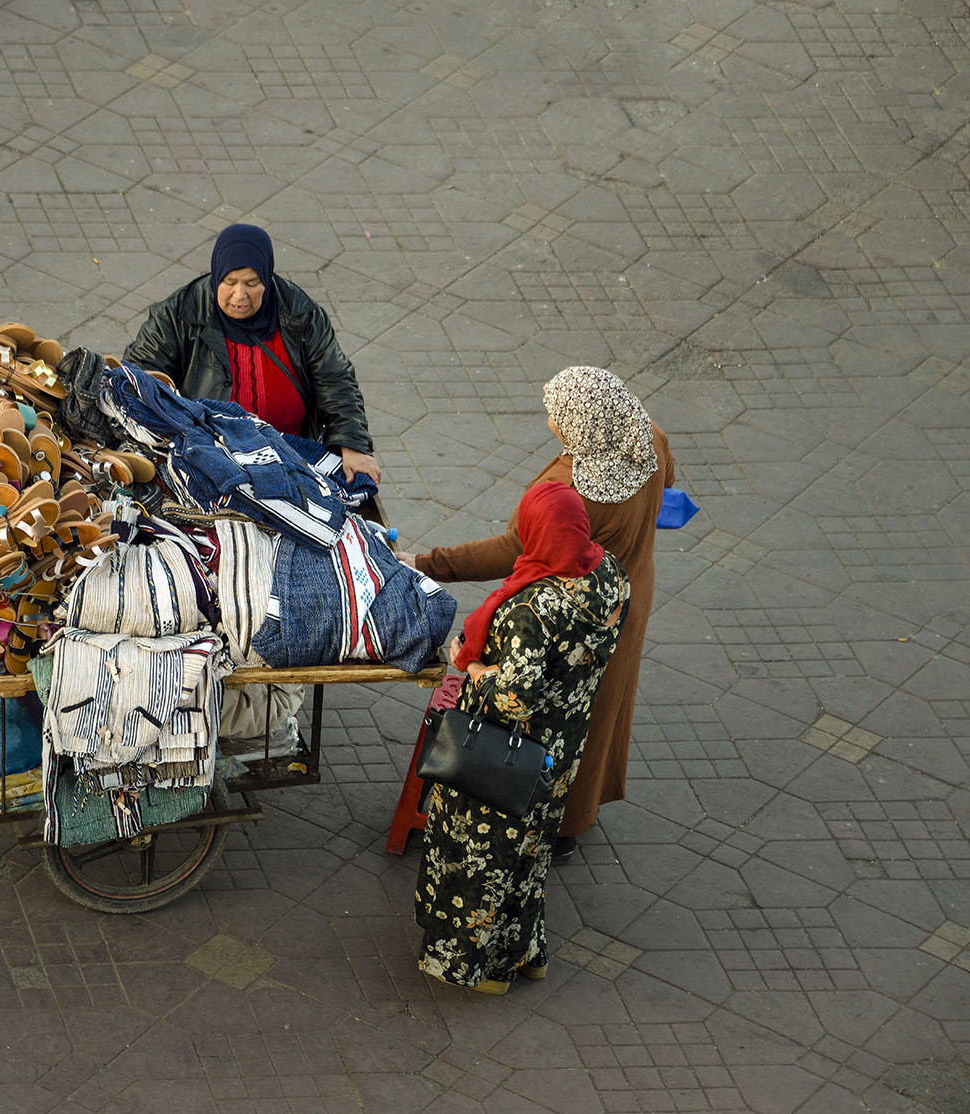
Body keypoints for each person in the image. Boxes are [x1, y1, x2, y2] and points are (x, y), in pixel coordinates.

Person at [400, 366, 673, 864]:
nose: (549, 420)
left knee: (553, 717)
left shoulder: (574, 489)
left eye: (557, 414)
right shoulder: (646, 438)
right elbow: (667, 487)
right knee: (599, 707)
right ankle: (577, 815)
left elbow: (514, 549)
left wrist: (426, 563)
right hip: (626, 598)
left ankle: (550, 822)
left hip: (568, 618)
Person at [416, 481, 629, 994]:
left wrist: (472, 665)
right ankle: (528, 952)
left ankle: (486, 970)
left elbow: (515, 698)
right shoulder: (609, 574)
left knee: (483, 860)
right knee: (530, 857)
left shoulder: (532, 610)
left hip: (505, 753)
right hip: (560, 753)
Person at [123, 222, 381, 483]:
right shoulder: (178, 315)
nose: (240, 295)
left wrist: (353, 444)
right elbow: (138, 375)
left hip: (291, 459)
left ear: (267, 278)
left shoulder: (301, 315)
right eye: (229, 281)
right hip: (208, 462)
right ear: (216, 275)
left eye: (252, 282)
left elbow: (336, 381)